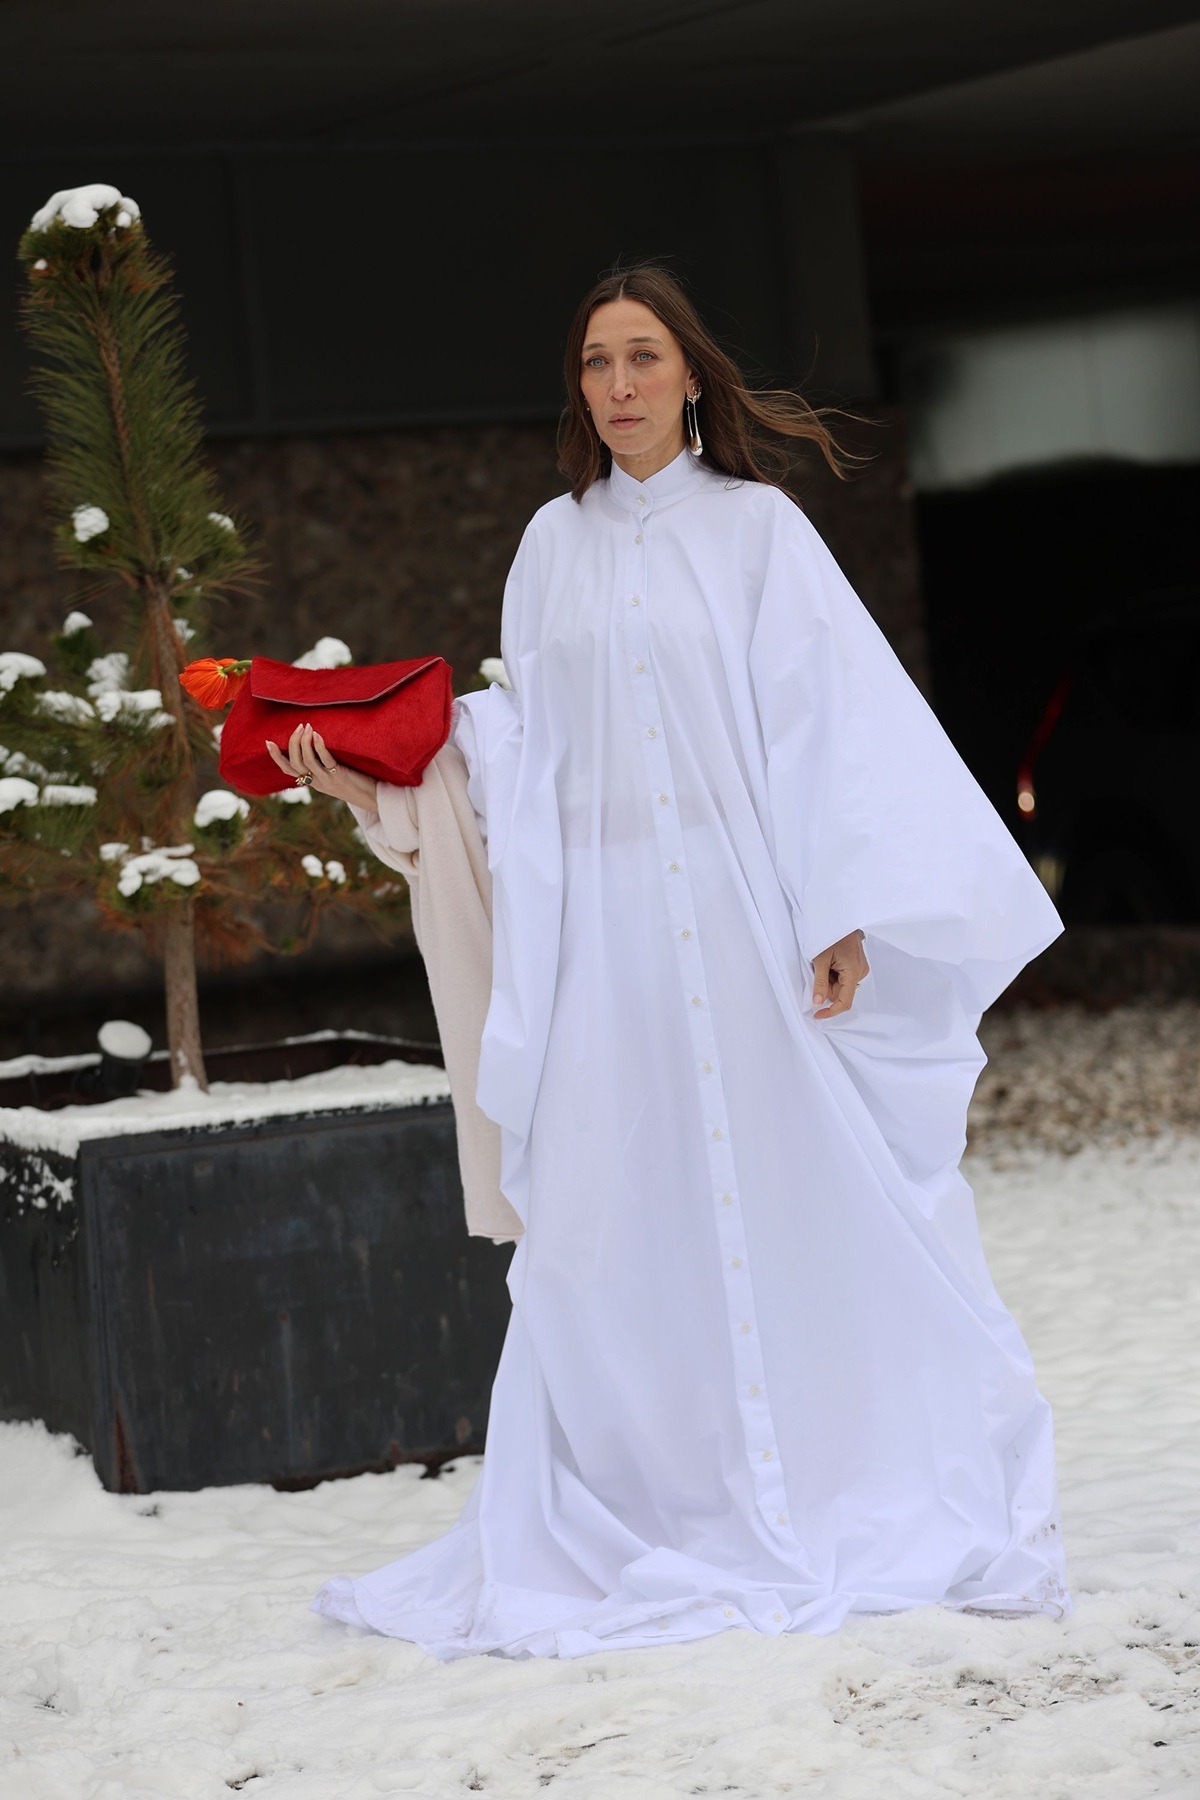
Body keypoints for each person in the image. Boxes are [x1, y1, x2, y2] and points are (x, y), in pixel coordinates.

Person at [275, 263, 1073, 1660]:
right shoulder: (551, 546)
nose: (620, 384)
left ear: (691, 374)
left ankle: (844, 1474)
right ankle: (663, 1500)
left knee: (806, 1189)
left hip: (749, 922)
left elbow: (829, 721)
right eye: (597, 362)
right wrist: (391, 776)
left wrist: (836, 909)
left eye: (643, 355)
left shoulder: (758, 531)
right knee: (621, 1212)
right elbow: (527, 752)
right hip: (610, 947)